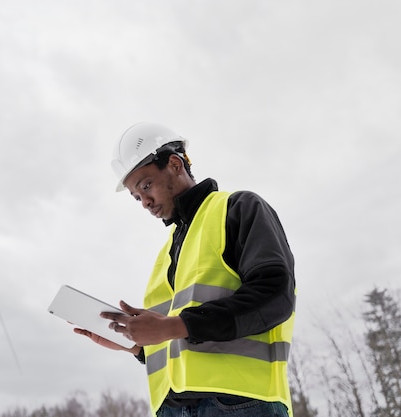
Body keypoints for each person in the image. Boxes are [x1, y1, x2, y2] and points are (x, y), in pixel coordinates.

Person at [74, 122, 296, 417]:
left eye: (146, 186)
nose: (145, 202)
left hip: (241, 404)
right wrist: (137, 346)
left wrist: (170, 326)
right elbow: (181, 341)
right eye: (137, 197)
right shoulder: (167, 252)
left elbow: (275, 296)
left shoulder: (237, 208)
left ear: (175, 165)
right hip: (173, 410)